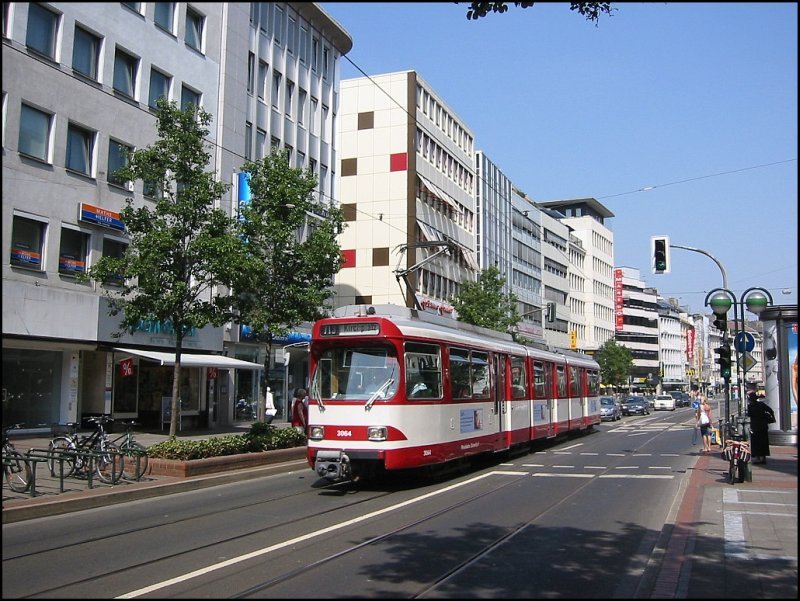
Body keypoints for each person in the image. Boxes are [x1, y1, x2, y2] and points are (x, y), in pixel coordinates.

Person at [747, 384, 774, 464]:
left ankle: (758, 457)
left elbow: (749, 415)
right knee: (764, 442)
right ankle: (763, 457)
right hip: (763, 425)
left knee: (756, 442)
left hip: (755, 426)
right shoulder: (761, 404)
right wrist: (769, 417)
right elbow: (770, 410)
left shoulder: (750, 406)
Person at [694, 386, 713, 453]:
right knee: (709, 434)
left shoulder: (700, 407)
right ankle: (709, 447)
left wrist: (697, 422)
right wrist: (711, 422)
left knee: (704, 435)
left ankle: (705, 447)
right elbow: (710, 415)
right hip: (708, 422)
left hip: (703, 422)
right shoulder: (708, 406)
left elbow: (698, 415)